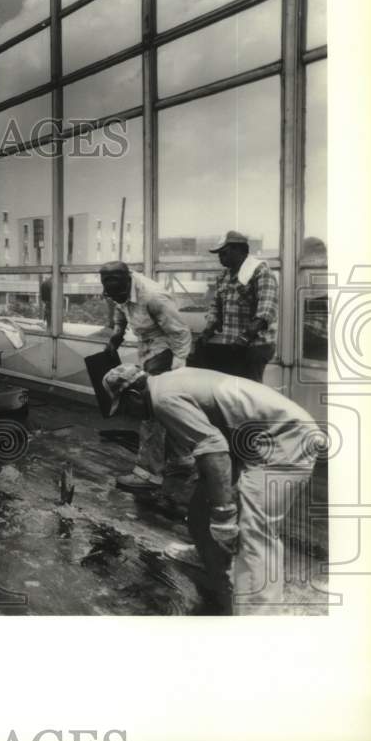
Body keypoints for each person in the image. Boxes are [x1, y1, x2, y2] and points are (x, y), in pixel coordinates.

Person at [102, 362, 317, 614]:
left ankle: (261, 618)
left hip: (285, 438)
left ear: (135, 395)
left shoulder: (163, 400)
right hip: (250, 436)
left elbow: (214, 450)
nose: (128, 415)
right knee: (200, 506)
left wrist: (224, 514)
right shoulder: (165, 382)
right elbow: (211, 443)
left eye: (126, 407)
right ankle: (210, 554)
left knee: (256, 530)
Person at [99, 261, 192, 492]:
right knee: (167, 410)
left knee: (150, 410)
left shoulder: (153, 296)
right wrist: (117, 336)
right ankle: (183, 460)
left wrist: (177, 370)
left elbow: (181, 334)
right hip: (147, 347)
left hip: (167, 348)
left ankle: (148, 475)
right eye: (109, 291)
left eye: (118, 291)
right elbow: (122, 307)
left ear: (128, 279)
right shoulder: (116, 291)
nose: (114, 295)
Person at [195, 230, 278, 383]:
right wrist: (208, 330)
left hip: (256, 345)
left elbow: (266, 312)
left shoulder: (260, 271)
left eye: (223, 252)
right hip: (233, 344)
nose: (220, 257)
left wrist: (245, 337)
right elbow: (216, 307)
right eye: (219, 253)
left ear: (238, 250)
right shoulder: (224, 276)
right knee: (232, 389)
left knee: (251, 390)